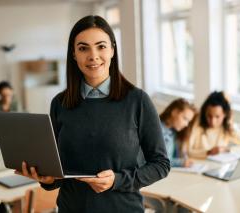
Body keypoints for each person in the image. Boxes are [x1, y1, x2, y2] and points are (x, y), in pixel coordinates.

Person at [16, 15, 170, 212]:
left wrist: (118, 180)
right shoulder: (60, 104)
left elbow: (161, 164)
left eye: (101, 46)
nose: (93, 55)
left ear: (113, 50)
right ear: (73, 54)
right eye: (83, 48)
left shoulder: (137, 101)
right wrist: (48, 180)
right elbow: (57, 169)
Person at [188, 91, 240, 158]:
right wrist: (208, 152)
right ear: (205, 113)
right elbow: (187, 151)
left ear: (225, 114)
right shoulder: (197, 122)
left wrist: (226, 150)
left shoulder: (228, 126)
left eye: (217, 117)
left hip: (219, 167)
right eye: (209, 116)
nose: (213, 121)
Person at [159, 98, 196, 167]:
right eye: (185, 118)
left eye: (188, 121)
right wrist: (181, 163)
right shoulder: (157, 131)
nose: (186, 124)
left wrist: (184, 158)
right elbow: (160, 161)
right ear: (174, 112)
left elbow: (177, 156)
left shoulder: (173, 131)